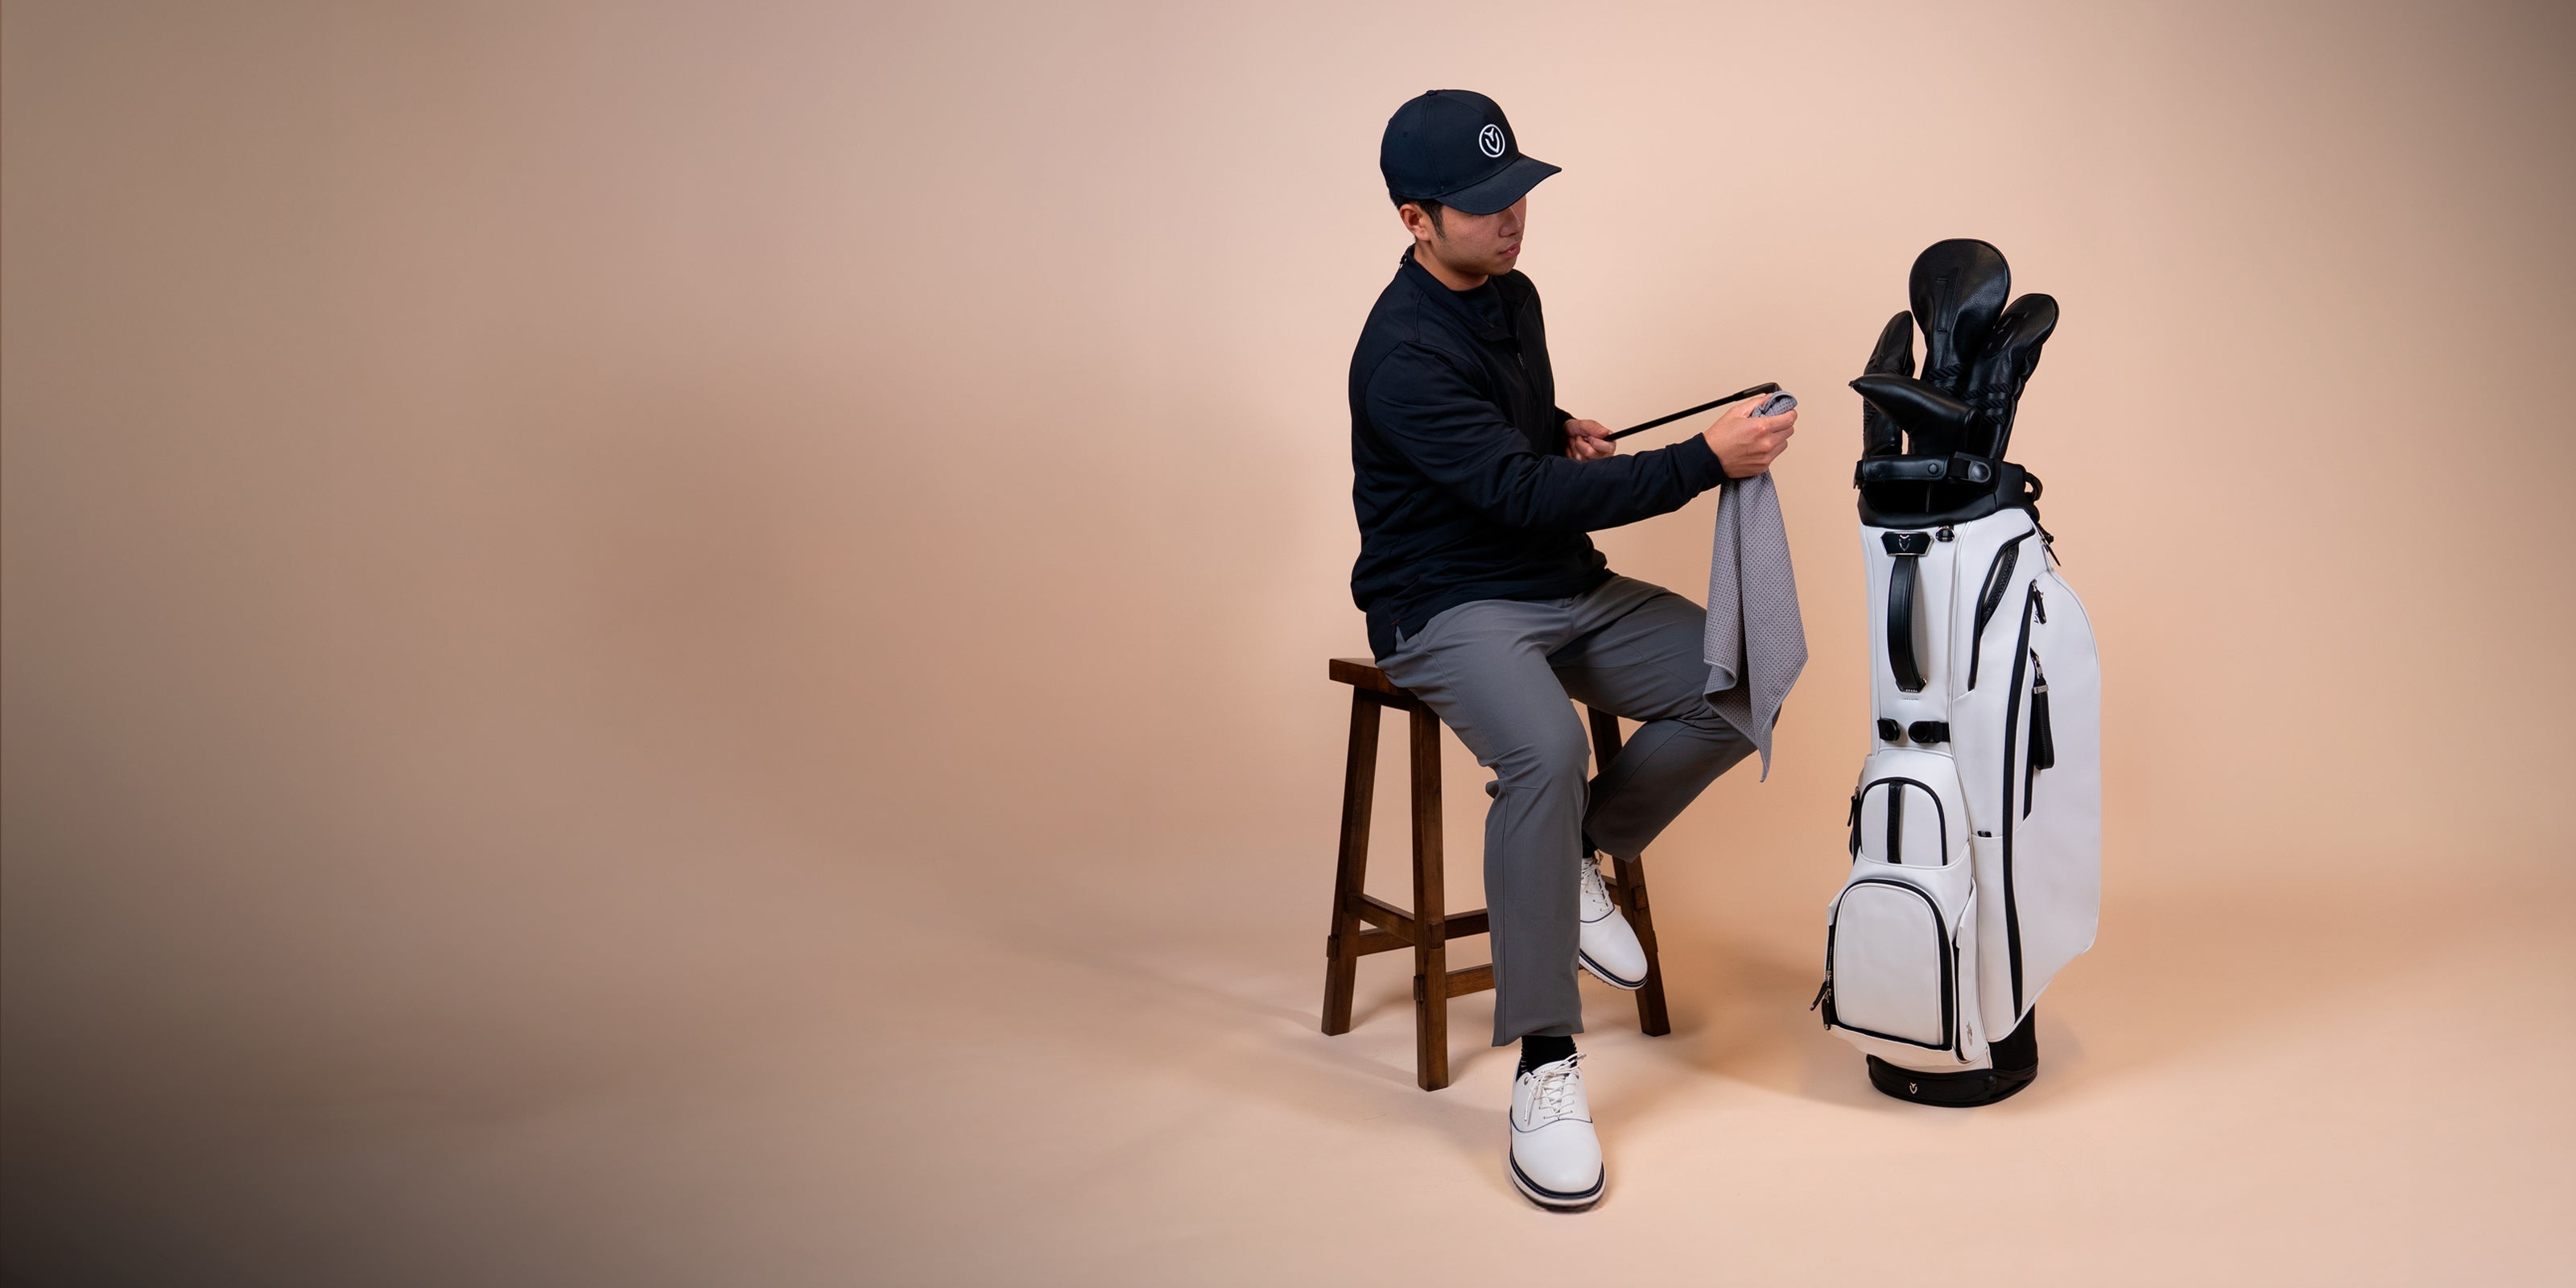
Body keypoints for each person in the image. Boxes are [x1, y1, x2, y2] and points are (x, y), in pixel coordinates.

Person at [1347, 89, 1798, 1210]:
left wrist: (1555, 425)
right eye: (1486, 204)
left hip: (1558, 584)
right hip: (1447, 605)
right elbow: (1510, 493)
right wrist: (1704, 459)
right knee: (1545, 748)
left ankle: (1577, 857)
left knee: (1739, 674)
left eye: (1520, 194)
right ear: (1416, 218)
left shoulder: (1514, 296)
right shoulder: (1396, 349)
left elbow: (1511, 444)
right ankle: (1547, 1070)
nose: (1514, 218)